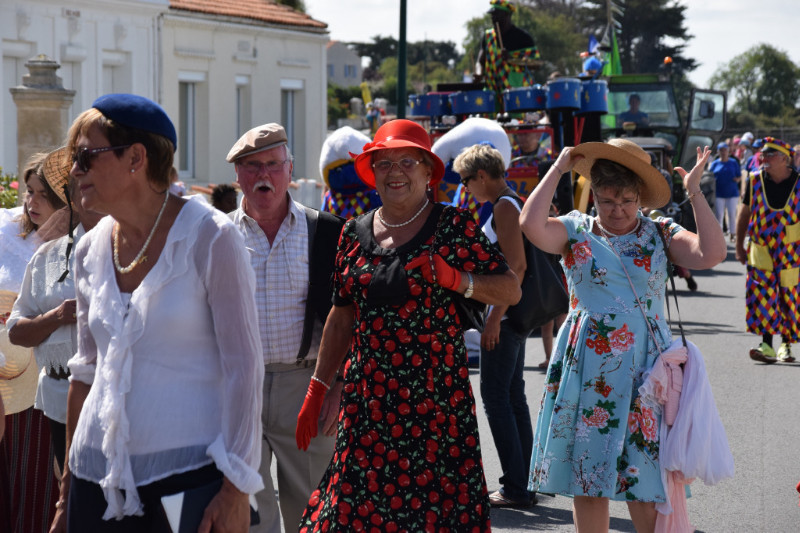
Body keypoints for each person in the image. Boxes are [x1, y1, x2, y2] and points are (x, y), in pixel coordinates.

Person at [48, 93, 264, 532]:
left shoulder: (211, 237)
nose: (74, 172)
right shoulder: (89, 248)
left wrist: (237, 488)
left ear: (136, 158)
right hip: (94, 482)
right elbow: (85, 375)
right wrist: (66, 494)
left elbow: (244, 368)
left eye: (86, 156)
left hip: (185, 484)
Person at [295, 119, 521, 531]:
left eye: (406, 162)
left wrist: (457, 279)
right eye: (383, 163)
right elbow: (341, 315)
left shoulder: (453, 227)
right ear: (372, 172)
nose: (394, 172)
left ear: (427, 171)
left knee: (434, 519)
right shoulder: (353, 232)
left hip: (437, 411)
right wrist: (318, 386)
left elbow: (510, 289)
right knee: (348, 515)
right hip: (367, 408)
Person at [520, 138, 726, 532]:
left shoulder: (659, 232)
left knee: (644, 478)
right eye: (607, 199)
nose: (618, 210)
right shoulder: (575, 229)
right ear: (592, 194)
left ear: (641, 198)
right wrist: (558, 168)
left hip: (646, 370)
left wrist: (695, 192)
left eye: (628, 200)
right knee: (588, 476)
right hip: (586, 365)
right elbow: (530, 225)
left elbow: (711, 254)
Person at [225, 123, 344, 532]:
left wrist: (339, 384)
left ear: (290, 171)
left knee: (314, 510)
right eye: (253, 166)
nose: (264, 175)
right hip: (238, 386)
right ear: (237, 175)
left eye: (274, 165)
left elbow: (350, 317)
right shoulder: (216, 235)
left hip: (307, 385)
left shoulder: (327, 230)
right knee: (248, 512)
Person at [7, 148, 104, 480]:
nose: (88, 190)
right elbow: (16, 330)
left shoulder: (136, 248)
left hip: (120, 404)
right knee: (73, 499)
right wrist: (57, 316)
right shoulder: (47, 257)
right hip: (58, 402)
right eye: (78, 183)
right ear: (71, 196)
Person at [453, 143, 535, 508]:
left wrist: (493, 319)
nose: (465, 187)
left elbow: (515, 268)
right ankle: (528, 478)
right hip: (514, 314)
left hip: (505, 314)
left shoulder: (503, 205)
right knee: (512, 396)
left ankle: (517, 485)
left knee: (496, 398)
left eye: (465, 179)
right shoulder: (509, 201)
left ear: (481, 176)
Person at [0, 152, 64, 533]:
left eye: (43, 194)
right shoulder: (6, 232)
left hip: (46, 378)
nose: (30, 202)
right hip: (5, 376)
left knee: (38, 481)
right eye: (28, 192)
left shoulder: (80, 242)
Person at [735, 136, 800, 364]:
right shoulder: (754, 181)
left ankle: (786, 345)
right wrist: (739, 245)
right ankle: (766, 344)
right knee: (763, 293)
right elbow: (744, 214)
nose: (763, 158)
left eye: (769, 154)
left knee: (788, 293)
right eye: (762, 154)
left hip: (792, 250)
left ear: (785, 158)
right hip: (760, 247)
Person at [475, 0, 537, 93]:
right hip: (494, 92)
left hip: (517, 93)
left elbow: (535, 64)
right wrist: (478, 73)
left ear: (506, 15)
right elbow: (480, 62)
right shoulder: (488, 37)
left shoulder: (523, 37)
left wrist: (512, 59)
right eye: (492, 15)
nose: (493, 18)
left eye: (496, 14)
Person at [710, 141, 741, 240]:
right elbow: (710, 176)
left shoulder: (733, 162)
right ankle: (720, 235)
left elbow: (739, 175)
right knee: (719, 215)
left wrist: (737, 179)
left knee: (732, 214)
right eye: (721, 150)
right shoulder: (714, 164)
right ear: (718, 152)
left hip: (732, 193)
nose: (723, 152)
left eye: (725, 150)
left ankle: (732, 233)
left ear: (728, 151)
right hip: (719, 193)